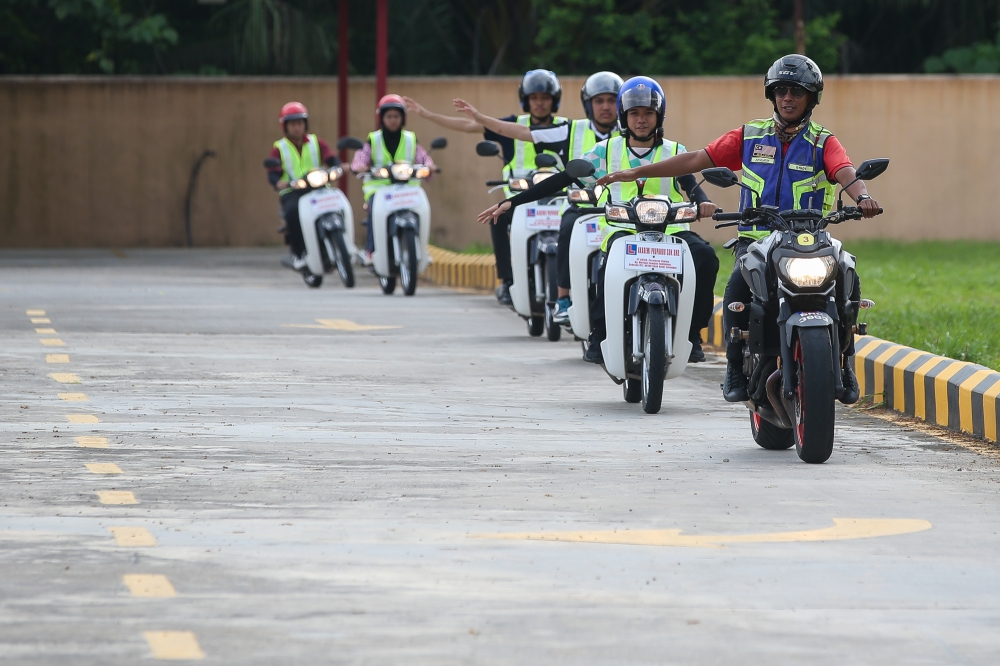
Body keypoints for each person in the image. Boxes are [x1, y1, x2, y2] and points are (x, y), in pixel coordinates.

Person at [595, 55, 880, 404]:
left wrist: (863, 196)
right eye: (781, 91)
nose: (788, 98)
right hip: (757, 240)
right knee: (735, 291)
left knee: (847, 273)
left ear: (812, 98)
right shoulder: (749, 136)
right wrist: (638, 172)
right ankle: (734, 366)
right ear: (772, 95)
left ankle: (845, 361)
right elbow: (698, 159)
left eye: (797, 92)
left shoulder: (823, 142)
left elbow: (845, 170)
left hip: (809, 238)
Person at [477, 77, 720, 365]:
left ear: (659, 116)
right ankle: (600, 333)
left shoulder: (674, 150)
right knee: (607, 271)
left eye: (648, 114)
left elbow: (689, 183)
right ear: (624, 117)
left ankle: (691, 334)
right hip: (622, 230)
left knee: (706, 258)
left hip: (671, 229)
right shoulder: (606, 150)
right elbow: (564, 178)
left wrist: (703, 201)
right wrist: (511, 202)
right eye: (634, 114)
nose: (641, 120)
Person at [452, 71, 624, 325]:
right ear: (589, 104)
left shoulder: (632, 133)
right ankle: (563, 299)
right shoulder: (570, 130)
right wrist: (482, 120)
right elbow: (522, 132)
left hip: (622, 211)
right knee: (565, 229)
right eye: (600, 101)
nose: (606, 107)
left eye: (612, 101)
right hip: (581, 206)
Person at [404, 70, 565, 305]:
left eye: (545, 98)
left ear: (554, 100)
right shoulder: (512, 125)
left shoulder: (567, 128)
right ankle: (507, 281)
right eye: (534, 97)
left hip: (557, 200)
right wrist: (426, 114)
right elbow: (468, 126)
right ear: (526, 100)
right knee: (497, 219)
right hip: (519, 199)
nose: (540, 103)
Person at [349, 94, 436, 263]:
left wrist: (430, 166)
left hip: (408, 189)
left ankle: (422, 248)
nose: (393, 120)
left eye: (397, 116)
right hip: (379, 189)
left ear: (403, 118)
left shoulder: (410, 138)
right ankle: (371, 250)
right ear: (382, 118)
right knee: (374, 210)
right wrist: (359, 166)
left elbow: (423, 157)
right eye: (388, 116)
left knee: (422, 210)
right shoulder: (373, 139)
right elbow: (361, 157)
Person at [265, 102, 340, 270]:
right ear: (285, 126)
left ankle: (341, 244)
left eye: (300, 123)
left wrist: (338, 166)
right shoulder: (280, 148)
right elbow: (272, 171)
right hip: (293, 190)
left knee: (336, 204)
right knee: (292, 213)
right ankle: (298, 254)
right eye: (292, 124)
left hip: (318, 187)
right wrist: (277, 182)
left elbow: (330, 157)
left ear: (305, 124)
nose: (297, 128)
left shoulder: (316, 142)